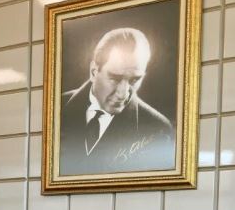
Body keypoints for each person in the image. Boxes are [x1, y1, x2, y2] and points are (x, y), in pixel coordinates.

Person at [59, 27, 174, 176]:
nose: (123, 93)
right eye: (115, 78)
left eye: (134, 80)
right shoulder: (56, 108)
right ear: (94, 72)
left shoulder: (159, 129)